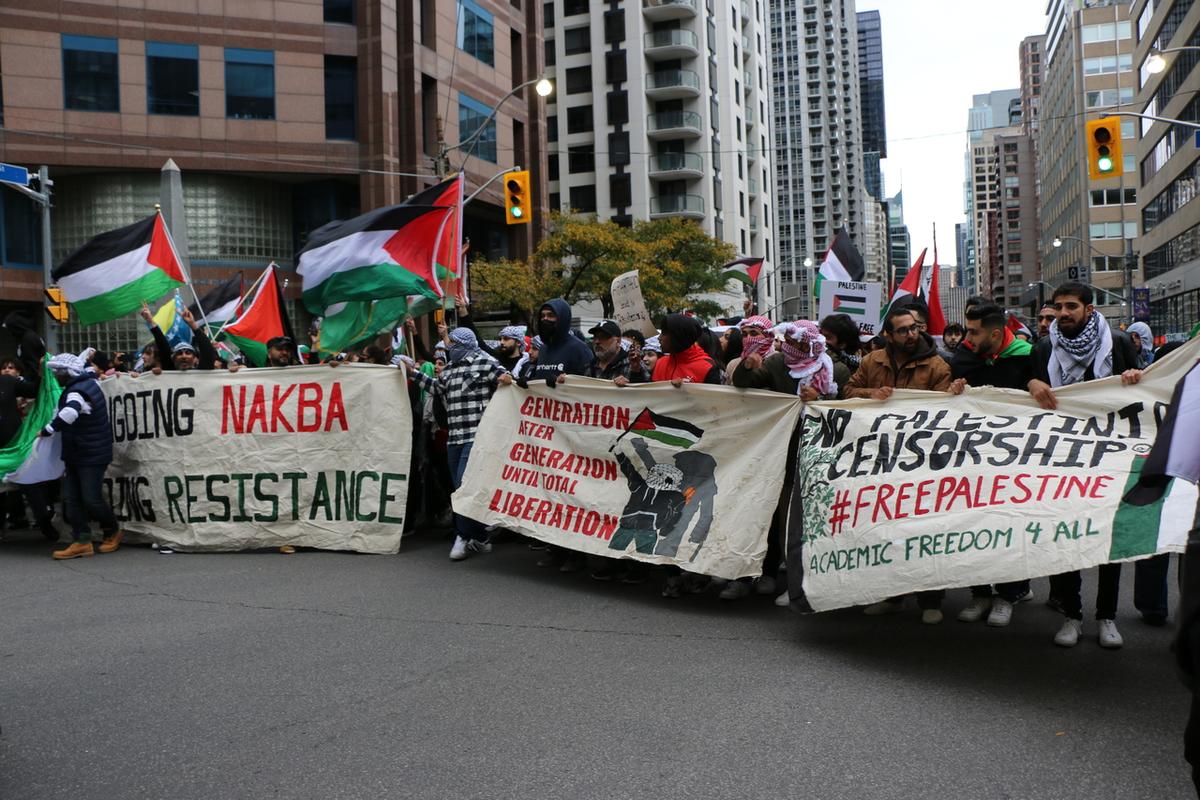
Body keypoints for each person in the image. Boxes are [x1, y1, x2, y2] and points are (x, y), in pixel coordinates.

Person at [1028, 282, 1142, 649]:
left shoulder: (1119, 344)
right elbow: (1024, 387)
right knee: (1064, 536)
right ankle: (1071, 614)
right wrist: (1031, 382)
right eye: (1058, 307)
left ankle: (1106, 616)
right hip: (1060, 461)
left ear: (1089, 310)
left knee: (1108, 538)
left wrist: (1133, 379)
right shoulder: (1044, 347)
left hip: (1109, 458)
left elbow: (1142, 390)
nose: (1063, 314)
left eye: (1071, 307)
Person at [845, 305, 953, 623]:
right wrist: (871, 393)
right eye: (903, 330)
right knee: (885, 529)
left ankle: (931, 599)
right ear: (888, 335)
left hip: (921, 463)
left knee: (924, 531)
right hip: (880, 459)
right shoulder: (871, 361)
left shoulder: (937, 365)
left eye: (915, 328)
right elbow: (848, 390)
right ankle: (891, 596)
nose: (911, 334)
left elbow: (947, 413)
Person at [727, 320, 837, 603]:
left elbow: (850, 405)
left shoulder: (834, 369)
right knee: (789, 518)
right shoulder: (777, 364)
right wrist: (747, 366)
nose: (793, 347)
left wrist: (822, 398)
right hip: (784, 454)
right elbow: (744, 383)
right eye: (788, 341)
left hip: (822, 457)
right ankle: (793, 581)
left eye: (798, 342)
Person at [948, 304, 1035, 626]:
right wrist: (952, 392)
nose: (966, 338)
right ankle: (980, 592)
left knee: (1011, 524)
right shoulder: (964, 358)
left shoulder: (1027, 356)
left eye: (974, 332)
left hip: (1016, 461)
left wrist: (1036, 384)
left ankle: (1008, 594)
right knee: (975, 523)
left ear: (996, 333)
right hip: (973, 458)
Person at [408, 327, 511, 561]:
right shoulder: (450, 369)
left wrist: (506, 379)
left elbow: (507, 383)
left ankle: (463, 536)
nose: (449, 347)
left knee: (464, 488)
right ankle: (482, 537)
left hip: (477, 437)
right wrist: (412, 372)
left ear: (465, 344)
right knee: (459, 488)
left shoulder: (486, 362)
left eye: (453, 343)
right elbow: (436, 388)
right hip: (454, 437)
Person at [41, 350, 121, 559]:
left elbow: (70, 413)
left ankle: (112, 530)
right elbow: (85, 368)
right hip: (79, 451)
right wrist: (85, 355)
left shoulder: (76, 392)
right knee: (71, 498)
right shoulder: (89, 380)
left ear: (68, 373)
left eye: (59, 372)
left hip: (90, 453)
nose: (56, 376)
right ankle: (82, 541)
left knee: (91, 499)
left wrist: (48, 429)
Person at [524, 299, 594, 388]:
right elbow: (540, 379)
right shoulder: (543, 349)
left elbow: (590, 384)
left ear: (562, 318)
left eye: (550, 315)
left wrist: (566, 381)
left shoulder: (579, 349)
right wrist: (528, 383)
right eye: (542, 315)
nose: (545, 319)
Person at [139, 302, 218, 371]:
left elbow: (207, 351)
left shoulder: (203, 371)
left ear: (194, 358)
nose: (184, 356)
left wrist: (192, 324)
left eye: (188, 353)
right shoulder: (169, 371)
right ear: (173, 358)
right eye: (179, 353)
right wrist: (150, 321)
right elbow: (163, 347)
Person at [653, 314, 723, 385]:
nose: (659, 338)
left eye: (664, 333)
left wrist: (687, 391)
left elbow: (713, 395)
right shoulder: (660, 363)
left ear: (678, 336)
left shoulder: (707, 368)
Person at [587, 320, 648, 384]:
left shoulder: (632, 363)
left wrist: (634, 377)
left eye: (603, 337)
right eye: (595, 337)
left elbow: (647, 389)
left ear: (618, 341)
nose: (597, 342)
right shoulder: (591, 366)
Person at [819, 314, 863, 400]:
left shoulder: (857, 371)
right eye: (821, 335)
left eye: (828, 337)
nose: (821, 340)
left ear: (842, 344)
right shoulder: (810, 360)